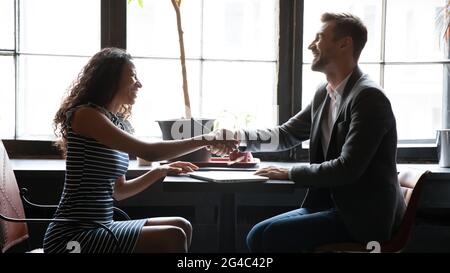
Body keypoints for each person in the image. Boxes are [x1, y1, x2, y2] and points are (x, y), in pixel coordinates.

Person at [211, 13, 405, 252]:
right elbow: (286, 134)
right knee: (257, 236)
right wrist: (238, 136)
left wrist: (289, 172)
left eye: (319, 37)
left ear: (345, 43)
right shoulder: (324, 92)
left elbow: (348, 168)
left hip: (363, 219)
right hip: (329, 207)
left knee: (270, 237)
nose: (310, 45)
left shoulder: (368, 98)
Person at [43, 47, 237, 253]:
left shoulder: (114, 121)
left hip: (101, 227)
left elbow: (119, 191)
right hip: (72, 237)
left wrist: (160, 171)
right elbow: (149, 152)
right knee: (173, 236)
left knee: (182, 225)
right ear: (112, 79)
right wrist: (207, 138)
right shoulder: (86, 115)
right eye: (133, 76)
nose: (139, 83)